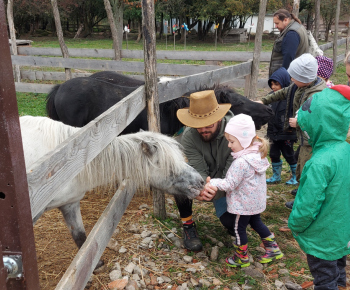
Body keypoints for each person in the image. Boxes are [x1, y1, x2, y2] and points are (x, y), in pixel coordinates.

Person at [288, 85, 350, 290]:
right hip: (342, 230)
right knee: (338, 263)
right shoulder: (346, 150)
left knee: (324, 277)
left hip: (321, 236)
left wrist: (295, 224)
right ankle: (341, 285)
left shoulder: (319, 162)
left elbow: (308, 203)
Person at [204, 114, 283, 268]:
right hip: (255, 202)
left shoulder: (241, 162)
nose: (229, 145)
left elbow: (230, 184)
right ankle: (273, 248)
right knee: (257, 223)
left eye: (232, 141)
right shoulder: (257, 155)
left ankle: (241, 257)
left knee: (239, 228)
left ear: (244, 140)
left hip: (243, 204)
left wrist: (213, 181)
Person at [259, 53, 327, 209]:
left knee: (308, 170)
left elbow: (318, 120)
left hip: (313, 140)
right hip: (305, 138)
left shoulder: (316, 96)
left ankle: (304, 202)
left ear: (304, 78)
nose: (291, 80)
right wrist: (263, 101)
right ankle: (302, 191)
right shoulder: (300, 86)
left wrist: (300, 122)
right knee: (301, 165)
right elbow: (284, 93)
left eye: (294, 77)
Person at [175, 90, 234, 251]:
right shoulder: (188, 136)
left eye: (209, 124)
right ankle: (187, 224)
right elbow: (197, 168)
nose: (203, 129)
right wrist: (203, 189)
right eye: (198, 126)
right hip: (208, 182)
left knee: (232, 223)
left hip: (229, 181)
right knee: (178, 175)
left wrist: (217, 191)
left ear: (219, 118)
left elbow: (234, 172)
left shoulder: (235, 132)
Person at [265, 67, 298, 185]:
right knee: (273, 154)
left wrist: (292, 129)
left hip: (286, 134)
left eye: (276, 84)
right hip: (273, 133)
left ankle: (295, 176)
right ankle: (276, 176)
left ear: (284, 83)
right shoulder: (270, 97)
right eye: (272, 84)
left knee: (289, 154)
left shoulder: (290, 98)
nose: (273, 87)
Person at [269, 9, 309, 77]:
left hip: (288, 75)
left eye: (277, 23)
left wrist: (283, 77)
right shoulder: (297, 27)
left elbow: (289, 57)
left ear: (285, 20)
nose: (275, 26)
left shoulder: (291, 33)